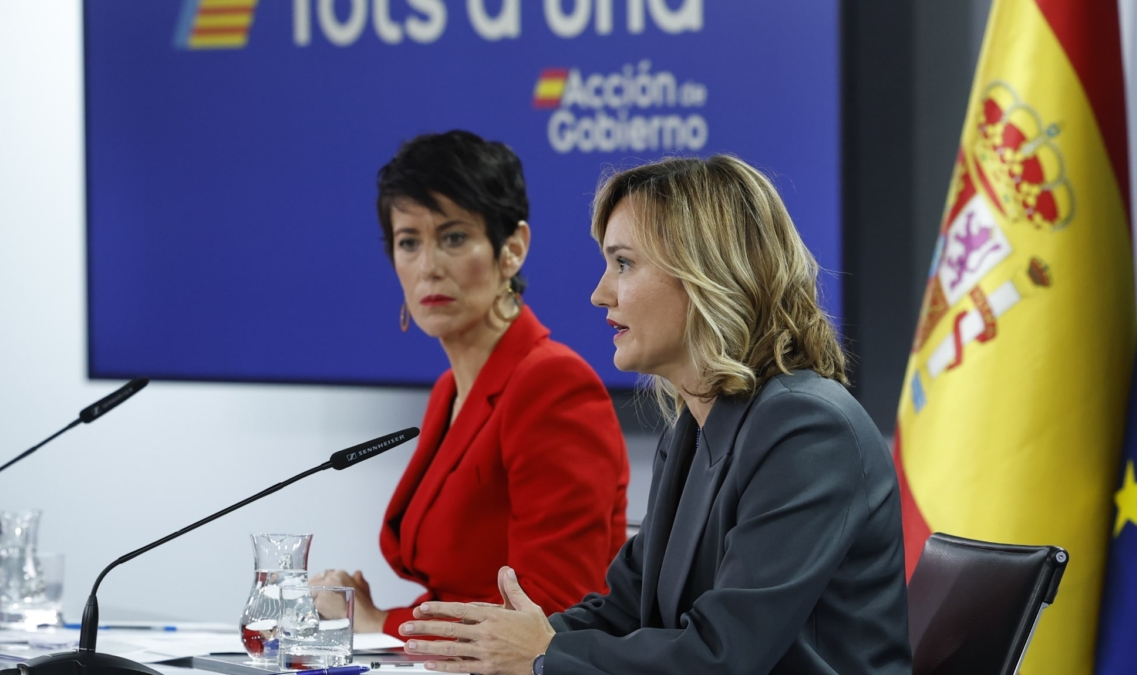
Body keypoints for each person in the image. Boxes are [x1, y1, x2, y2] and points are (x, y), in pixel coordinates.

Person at [397, 155, 912, 674]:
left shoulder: (807, 431)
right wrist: (490, 642)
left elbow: (721, 656)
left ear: (706, 271)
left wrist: (544, 655)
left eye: (623, 263)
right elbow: (624, 610)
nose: (600, 294)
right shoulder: (695, 426)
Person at [311, 130, 630, 639]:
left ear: (512, 249)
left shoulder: (553, 383)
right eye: (408, 242)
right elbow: (456, 589)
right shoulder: (448, 392)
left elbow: (554, 611)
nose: (428, 267)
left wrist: (376, 623)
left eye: (454, 237)